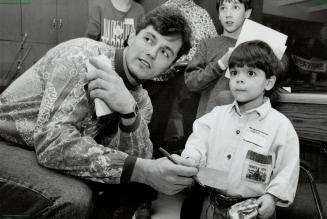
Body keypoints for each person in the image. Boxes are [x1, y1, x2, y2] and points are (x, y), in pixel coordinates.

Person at [0, 6, 198, 219]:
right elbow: (51, 144)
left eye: (165, 52)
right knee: (74, 198)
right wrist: (143, 170)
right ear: (131, 36)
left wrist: (128, 114)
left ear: (170, 66)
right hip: (7, 142)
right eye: (149, 39)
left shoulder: (142, 102)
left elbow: (133, 161)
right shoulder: (82, 57)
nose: (152, 52)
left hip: (33, 150)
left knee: (123, 192)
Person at [180, 40, 300, 219]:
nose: (239, 79)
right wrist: (190, 158)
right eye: (234, 72)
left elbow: (287, 169)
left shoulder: (280, 126)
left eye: (250, 73)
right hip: (212, 206)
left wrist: (272, 196)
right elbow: (197, 143)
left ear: (268, 82)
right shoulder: (216, 115)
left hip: (254, 210)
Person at [143, 0, 218, 158]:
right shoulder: (163, 10)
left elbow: (212, 48)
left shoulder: (203, 15)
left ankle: (185, 154)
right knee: (154, 125)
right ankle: (151, 156)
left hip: (190, 80)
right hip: (161, 78)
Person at [185, 0, 253, 118]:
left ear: (247, 13)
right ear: (218, 15)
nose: (228, 14)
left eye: (235, 7)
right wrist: (221, 63)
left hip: (246, 120)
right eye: (223, 8)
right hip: (210, 121)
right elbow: (192, 83)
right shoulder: (207, 45)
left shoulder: (255, 48)